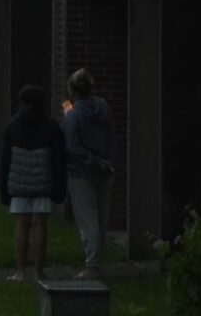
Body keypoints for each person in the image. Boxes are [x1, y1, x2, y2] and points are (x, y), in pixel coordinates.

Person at [0, 84, 64, 284]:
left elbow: (5, 159)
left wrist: (4, 188)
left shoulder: (13, 126)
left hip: (19, 183)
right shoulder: (51, 126)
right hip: (42, 182)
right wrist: (59, 187)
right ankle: (39, 272)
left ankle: (20, 272)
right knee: (40, 224)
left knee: (21, 225)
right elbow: (59, 158)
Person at [62, 69, 115, 270]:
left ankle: (93, 263)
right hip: (105, 168)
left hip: (81, 172)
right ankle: (100, 258)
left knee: (87, 220)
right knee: (102, 217)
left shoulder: (73, 116)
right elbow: (111, 137)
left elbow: (71, 146)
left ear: (72, 91)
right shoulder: (104, 108)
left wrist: (90, 160)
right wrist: (107, 162)